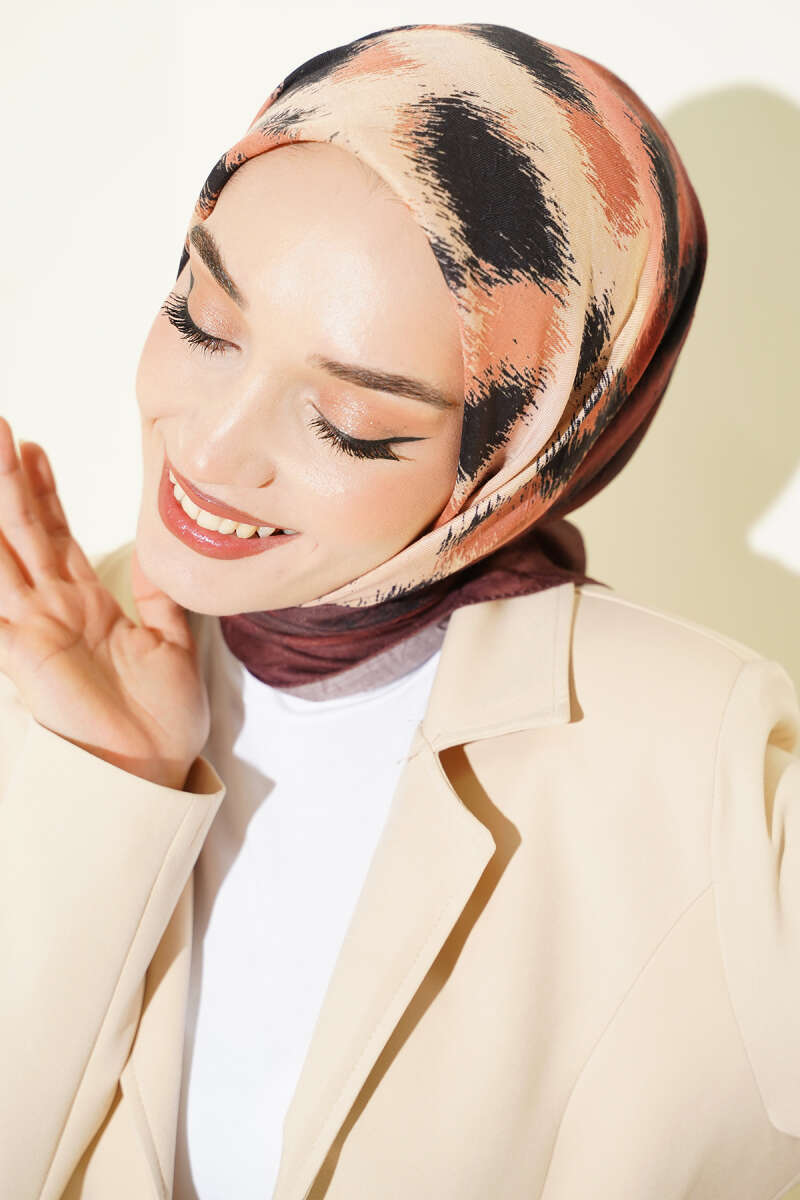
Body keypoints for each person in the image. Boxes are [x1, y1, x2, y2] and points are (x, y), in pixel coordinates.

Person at [1, 21, 798, 1200]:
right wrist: (105, 779)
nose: (210, 450)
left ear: (517, 460)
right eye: (202, 321)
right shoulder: (52, 653)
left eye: (351, 423)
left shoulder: (714, 774)